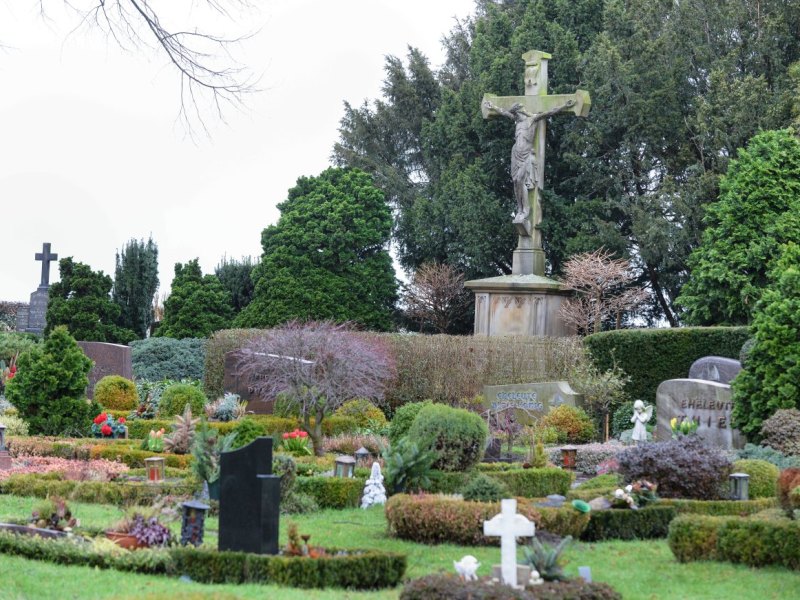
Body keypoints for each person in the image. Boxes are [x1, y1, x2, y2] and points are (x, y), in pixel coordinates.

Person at [483, 98, 575, 227]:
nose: (515, 116)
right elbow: (503, 112)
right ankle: (520, 209)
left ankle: (526, 210)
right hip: (515, 154)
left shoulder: (532, 119)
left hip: (526, 155)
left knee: (520, 180)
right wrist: (492, 106)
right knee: (515, 182)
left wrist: (564, 105)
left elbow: (550, 112)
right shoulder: (517, 121)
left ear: (521, 112)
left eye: (516, 113)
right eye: (514, 114)